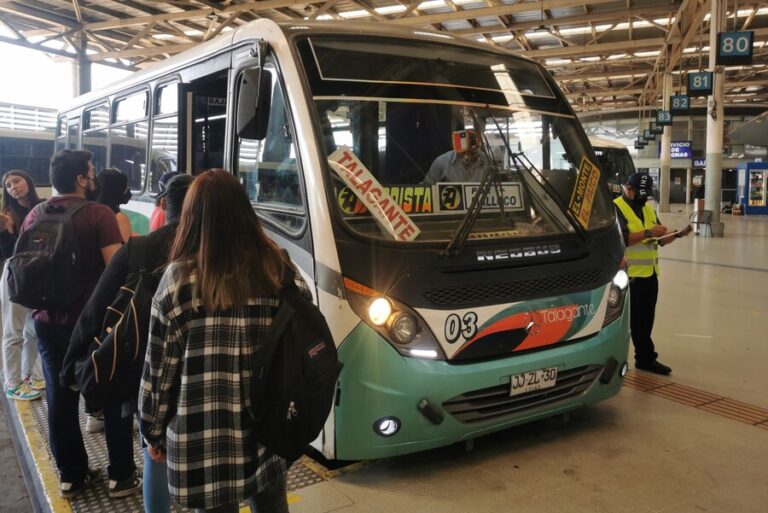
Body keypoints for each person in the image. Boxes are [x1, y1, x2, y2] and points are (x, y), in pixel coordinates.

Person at [140, 169, 308, 513]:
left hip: (204, 442)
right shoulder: (280, 270)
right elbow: (307, 332)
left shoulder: (178, 282)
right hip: (270, 430)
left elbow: (159, 371)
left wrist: (152, 432)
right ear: (246, 212)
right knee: (273, 506)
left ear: (191, 218)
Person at [63, 173, 194, 504]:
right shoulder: (218, 251)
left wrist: (71, 363)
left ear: (165, 205)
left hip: (142, 365)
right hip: (199, 372)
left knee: (153, 446)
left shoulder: (139, 248)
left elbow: (96, 309)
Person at [20, 149, 123, 499]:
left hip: (46, 320)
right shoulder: (99, 214)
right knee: (111, 392)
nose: (93, 178)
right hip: (90, 323)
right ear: (81, 179)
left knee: (59, 398)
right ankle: (121, 474)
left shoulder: (35, 213)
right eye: (90, 172)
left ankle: (72, 476)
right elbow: (115, 271)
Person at [614, 173, 691, 376]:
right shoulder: (616, 207)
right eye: (638, 194)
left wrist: (677, 234)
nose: (642, 198)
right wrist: (649, 232)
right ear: (628, 188)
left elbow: (660, 240)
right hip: (628, 277)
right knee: (625, 323)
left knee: (646, 320)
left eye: (645, 195)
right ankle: (616, 360)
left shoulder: (648, 209)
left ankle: (645, 359)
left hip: (650, 275)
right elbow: (622, 239)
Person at [0, 170, 45, 401]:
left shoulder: (43, 207)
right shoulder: (7, 215)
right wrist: (4, 232)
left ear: (28, 180)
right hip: (15, 275)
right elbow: (7, 255)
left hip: (37, 274)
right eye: (8, 185)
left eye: (16, 181)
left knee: (32, 330)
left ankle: (27, 374)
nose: (13, 187)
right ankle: (12, 382)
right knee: (13, 330)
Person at [422, 129, 490, 185]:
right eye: (464, 152)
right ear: (457, 148)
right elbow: (426, 188)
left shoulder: (487, 162)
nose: (467, 156)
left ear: (478, 148)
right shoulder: (442, 162)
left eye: (472, 152)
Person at [96, 168, 133, 242]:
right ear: (116, 192)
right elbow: (125, 250)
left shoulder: (91, 211)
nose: (128, 191)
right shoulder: (119, 218)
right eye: (125, 189)